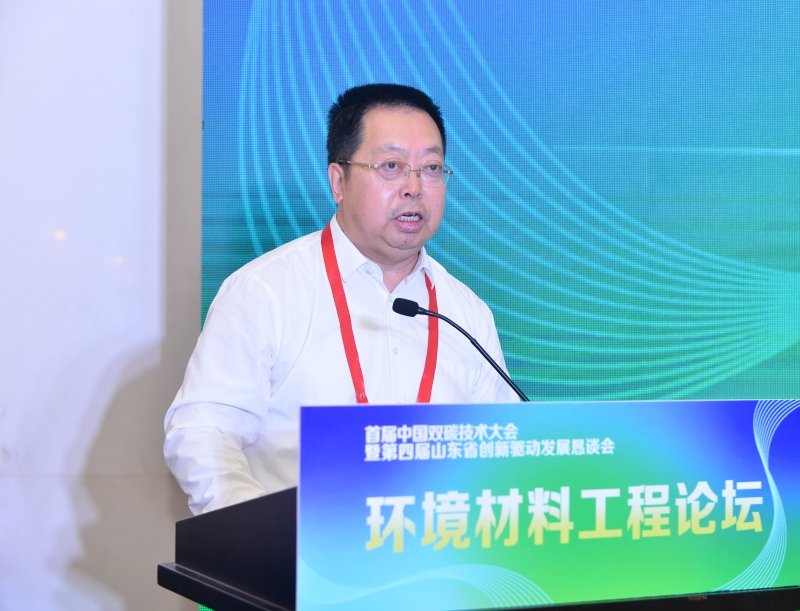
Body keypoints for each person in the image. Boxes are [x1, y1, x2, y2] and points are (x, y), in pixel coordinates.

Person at [165, 84, 518, 515]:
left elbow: (503, 450)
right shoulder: (265, 292)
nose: (414, 187)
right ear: (338, 181)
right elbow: (203, 431)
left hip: (433, 547)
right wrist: (257, 532)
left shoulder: (466, 312)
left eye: (431, 168)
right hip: (296, 551)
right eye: (391, 166)